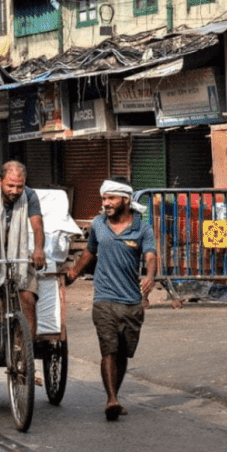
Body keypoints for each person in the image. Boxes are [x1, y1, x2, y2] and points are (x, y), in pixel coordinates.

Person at [64, 177, 157, 420]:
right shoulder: (98, 224)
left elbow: (150, 255)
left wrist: (150, 276)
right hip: (104, 298)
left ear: (126, 200)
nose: (106, 203)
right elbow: (90, 251)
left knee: (123, 352)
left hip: (132, 301)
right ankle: (111, 399)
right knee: (109, 349)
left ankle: (115, 394)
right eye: (104, 198)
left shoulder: (142, 229)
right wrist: (73, 273)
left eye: (111, 198)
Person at [0, 161, 45, 371]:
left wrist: (39, 250)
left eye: (19, 186)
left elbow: (38, 226)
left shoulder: (29, 195)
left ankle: (26, 357)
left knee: (28, 298)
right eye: (10, 185)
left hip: (18, 254)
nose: (15, 191)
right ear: (0, 181)